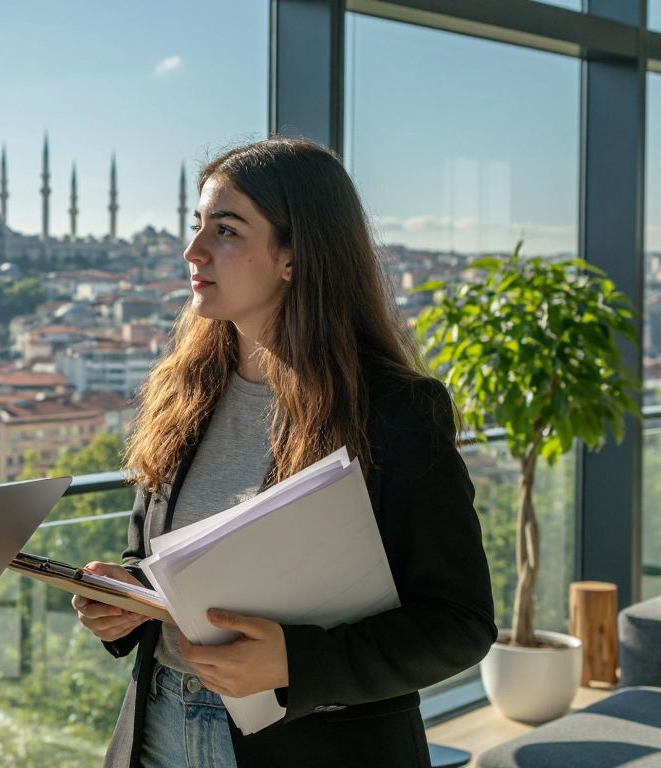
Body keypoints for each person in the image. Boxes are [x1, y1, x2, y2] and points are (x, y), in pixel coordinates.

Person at [73, 137, 496, 768]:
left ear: (295, 255)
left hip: (316, 748)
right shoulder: (182, 395)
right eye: (196, 227)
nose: (193, 251)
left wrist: (296, 663)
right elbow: (156, 556)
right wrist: (130, 596)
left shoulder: (394, 411)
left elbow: (459, 623)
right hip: (160, 723)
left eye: (227, 230)